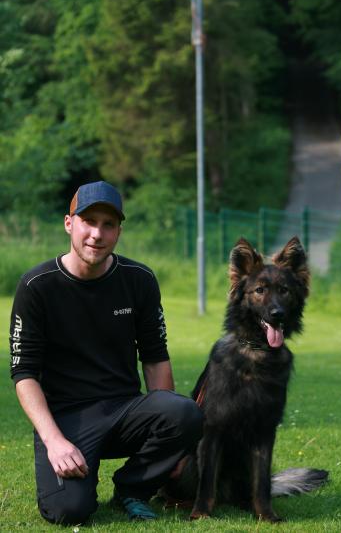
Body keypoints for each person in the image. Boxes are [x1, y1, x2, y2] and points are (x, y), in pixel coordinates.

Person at [9, 180, 203, 525]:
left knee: (184, 412)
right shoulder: (36, 286)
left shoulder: (139, 279)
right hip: (67, 421)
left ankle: (133, 488)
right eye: (88, 221)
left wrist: (172, 442)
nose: (97, 234)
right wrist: (54, 442)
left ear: (118, 231)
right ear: (69, 223)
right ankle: (81, 474)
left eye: (108, 224)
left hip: (125, 410)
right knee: (69, 511)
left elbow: (156, 358)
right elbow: (24, 374)